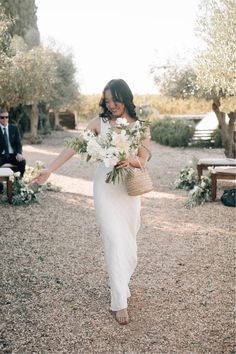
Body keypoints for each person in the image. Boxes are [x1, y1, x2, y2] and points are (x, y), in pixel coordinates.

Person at [31, 79, 150, 325]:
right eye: (107, 101)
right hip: (105, 187)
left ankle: (121, 283)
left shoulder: (141, 127)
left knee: (129, 240)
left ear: (125, 97)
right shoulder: (100, 123)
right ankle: (119, 301)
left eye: (115, 99)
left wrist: (129, 158)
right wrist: (50, 169)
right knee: (113, 239)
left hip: (128, 191)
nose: (111, 104)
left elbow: (143, 160)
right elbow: (73, 148)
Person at [0, 108, 26, 193]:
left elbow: (18, 143)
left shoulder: (14, 128)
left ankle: (18, 182)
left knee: (22, 161)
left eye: (6, 117)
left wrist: (19, 153)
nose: (5, 119)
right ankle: (0, 186)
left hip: (13, 154)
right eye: (2, 117)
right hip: (1, 155)